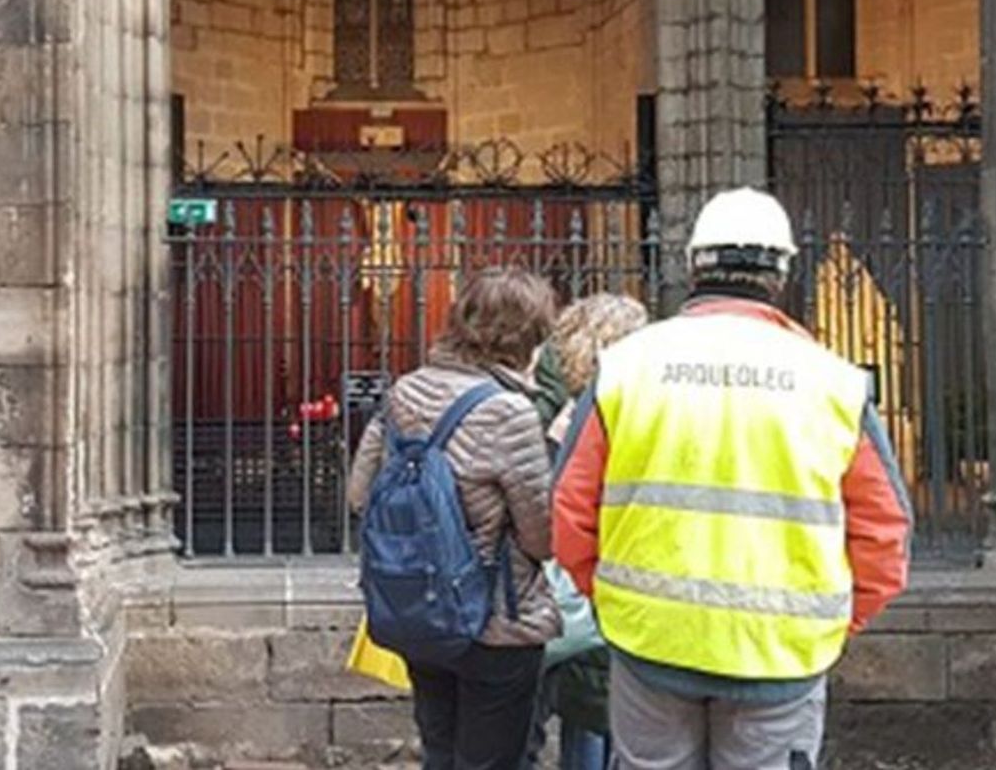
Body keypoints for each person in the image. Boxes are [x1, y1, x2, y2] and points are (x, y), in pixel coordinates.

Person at [553, 188, 913, 770]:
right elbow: (884, 530)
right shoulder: (833, 382)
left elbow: (570, 508)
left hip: (650, 643)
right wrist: (830, 624)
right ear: (781, 273)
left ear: (693, 265)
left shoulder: (626, 368)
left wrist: (611, 601)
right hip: (780, 656)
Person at [348, 267, 561, 770]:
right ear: (527, 335)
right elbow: (541, 537)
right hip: (495, 620)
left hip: (419, 607)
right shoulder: (509, 411)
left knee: (440, 752)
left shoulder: (406, 391)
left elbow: (360, 494)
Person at [527, 294, 649, 770]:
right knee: (604, 706)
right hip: (613, 574)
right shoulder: (630, 404)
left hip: (561, 582)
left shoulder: (542, 398)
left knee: (574, 705)